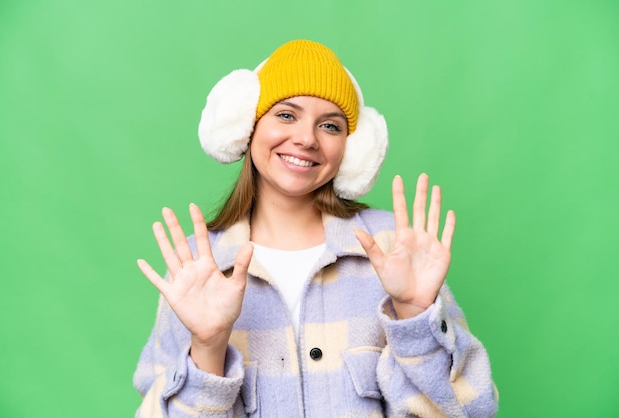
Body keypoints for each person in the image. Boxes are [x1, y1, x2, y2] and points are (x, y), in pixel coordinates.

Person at [133, 40, 498, 417]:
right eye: (286, 115)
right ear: (247, 126)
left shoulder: (393, 248)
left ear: (351, 150)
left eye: (329, 125)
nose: (307, 139)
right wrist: (208, 347)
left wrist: (413, 315)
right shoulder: (197, 266)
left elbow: (472, 411)